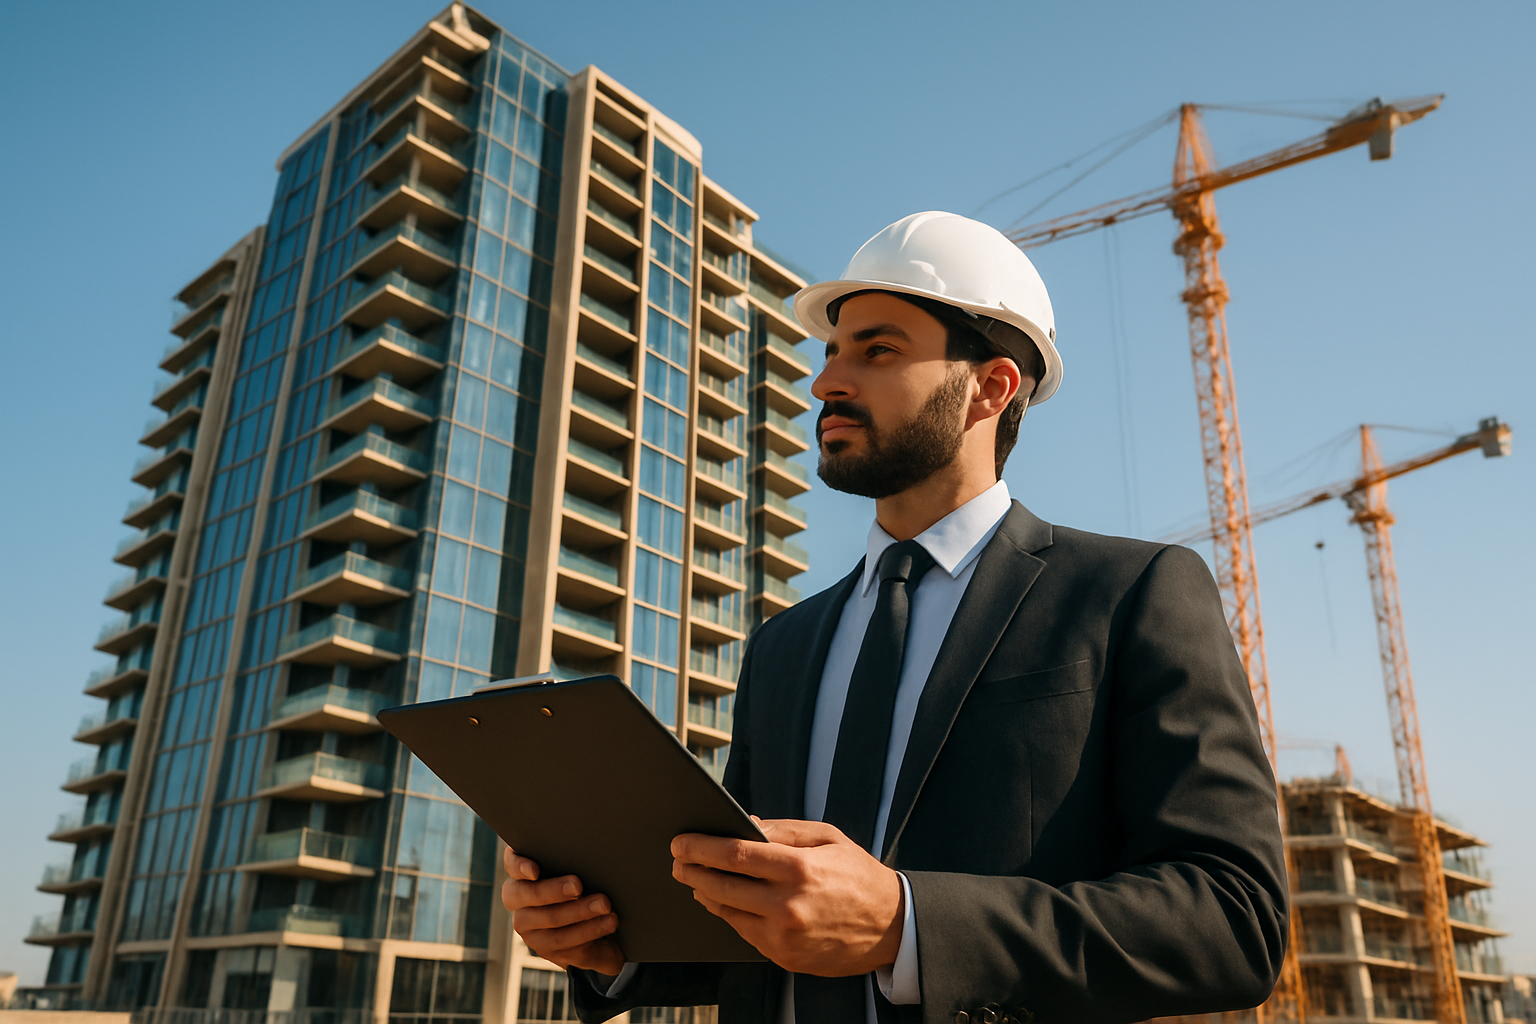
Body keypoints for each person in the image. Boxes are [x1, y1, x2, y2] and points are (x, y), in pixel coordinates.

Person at [502, 211, 1289, 1024]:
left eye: (877, 351)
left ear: (991, 386)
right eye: (831, 353)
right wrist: (612, 947)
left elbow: (1236, 920)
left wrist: (907, 925)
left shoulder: (1132, 592)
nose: (826, 383)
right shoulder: (781, 646)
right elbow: (748, 921)